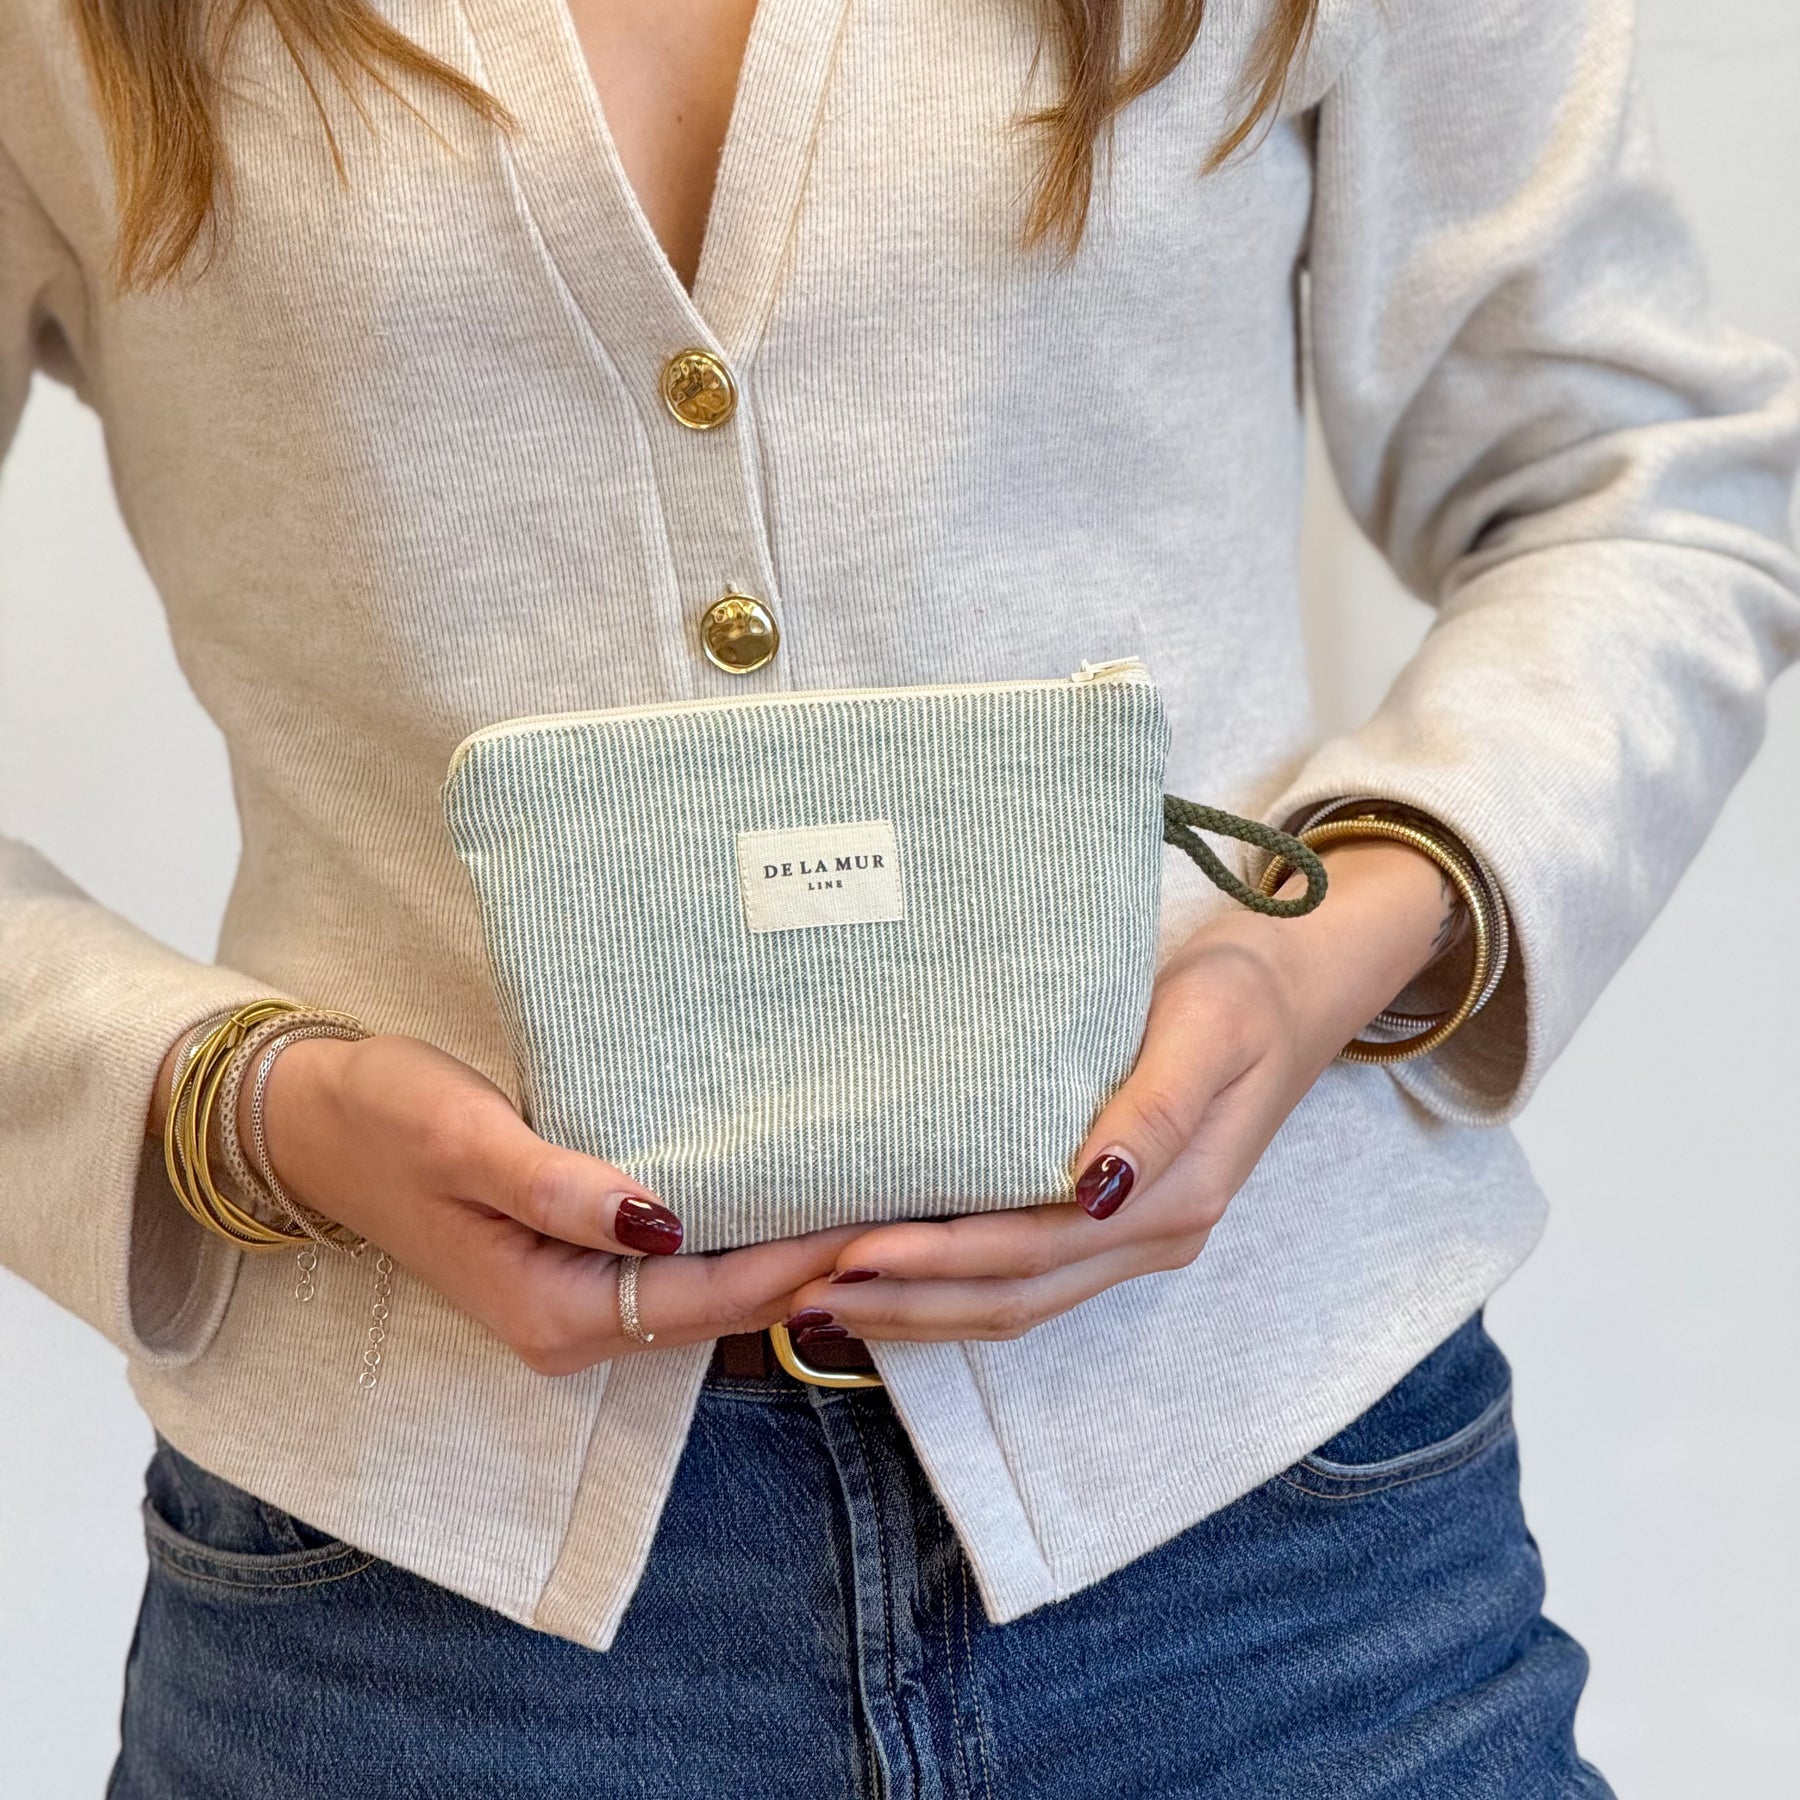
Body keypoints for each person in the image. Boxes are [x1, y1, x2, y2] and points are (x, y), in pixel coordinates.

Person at [2, 0, 1794, 1791]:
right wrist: (245, 1107)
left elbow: (1640, 488)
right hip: (411, 1599)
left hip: (1268, 1524)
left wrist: (1324, 952)